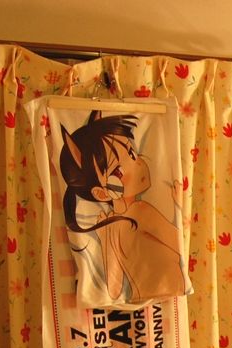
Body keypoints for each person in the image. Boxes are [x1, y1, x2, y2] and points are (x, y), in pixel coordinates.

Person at [60, 111, 184, 304]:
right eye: (118, 170)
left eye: (132, 153)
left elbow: (113, 290)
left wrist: (104, 238)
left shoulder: (112, 225)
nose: (138, 163)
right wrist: (178, 206)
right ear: (101, 194)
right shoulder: (140, 211)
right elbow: (178, 244)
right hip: (168, 291)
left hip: (139, 300)